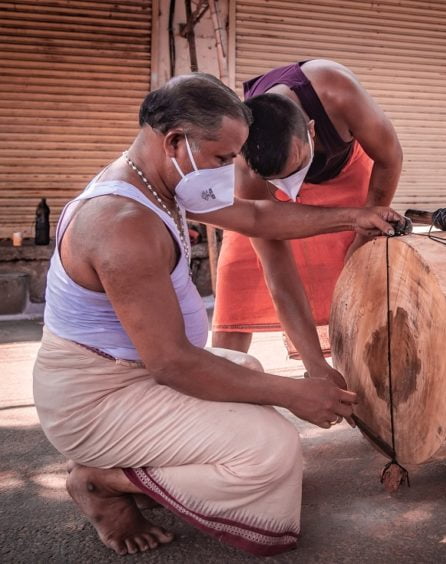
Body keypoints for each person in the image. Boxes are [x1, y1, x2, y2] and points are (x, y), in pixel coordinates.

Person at [32, 73, 402, 557]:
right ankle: (105, 481)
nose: (230, 170)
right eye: (224, 158)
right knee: (272, 449)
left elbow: (255, 216)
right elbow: (173, 363)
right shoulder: (122, 224)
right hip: (96, 399)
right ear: (174, 141)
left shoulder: (162, 179)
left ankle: (151, 476)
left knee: (246, 372)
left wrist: (353, 216)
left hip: (135, 378)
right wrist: (297, 393)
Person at [212, 59, 403, 380]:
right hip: (261, 190)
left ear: (312, 130)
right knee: (239, 271)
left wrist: (362, 235)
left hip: (345, 172)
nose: (295, 188)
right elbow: (278, 272)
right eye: (281, 179)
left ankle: (373, 373)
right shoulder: (246, 163)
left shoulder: (338, 90)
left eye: (297, 165)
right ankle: (222, 381)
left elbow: (389, 157)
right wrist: (315, 367)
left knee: (359, 268)